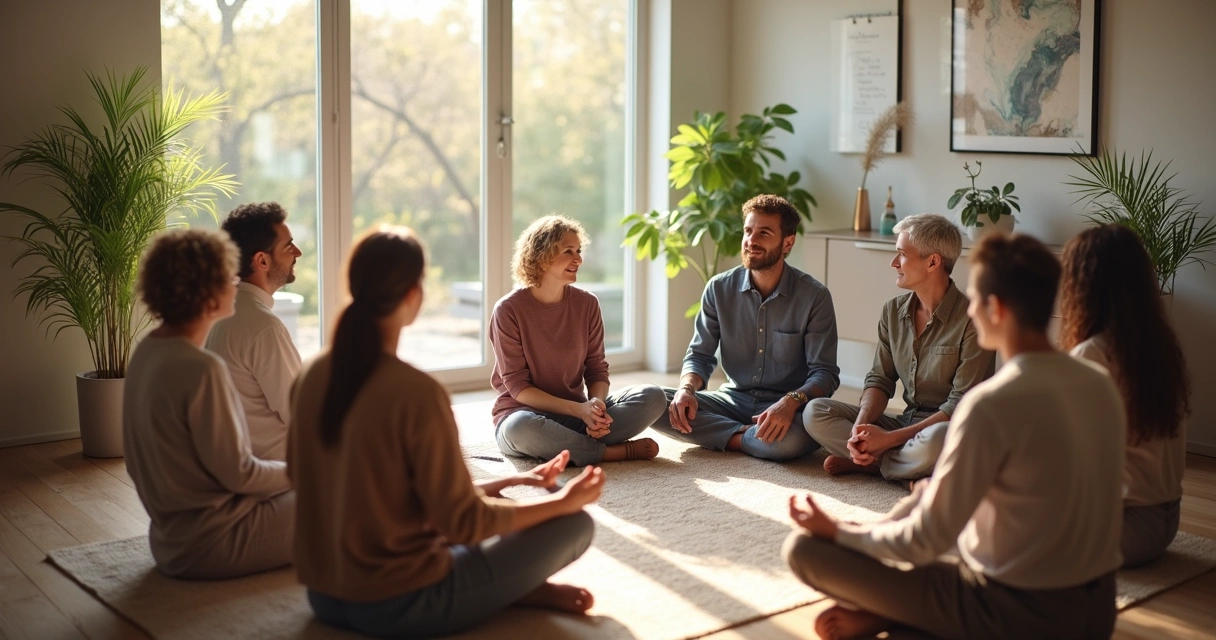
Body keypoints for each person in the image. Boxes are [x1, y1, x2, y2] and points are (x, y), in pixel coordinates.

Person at [783, 233, 1125, 640]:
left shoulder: (990, 404)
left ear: (995, 309)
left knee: (803, 551)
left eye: (976, 298)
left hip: (1020, 615)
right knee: (927, 503)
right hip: (1100, 610)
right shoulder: (1100, 383)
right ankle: (905, 617)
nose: (970, 308)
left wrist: (839, 532)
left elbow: (923, 542)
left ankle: (898, 615)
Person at [291, 227, 603, 638]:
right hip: (401, 603)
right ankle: (509, 591)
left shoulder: (311, 374)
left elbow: (377, 496)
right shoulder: (417, 392)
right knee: (575, 525)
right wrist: (563, 501)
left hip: (325, 594)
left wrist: (511, 480)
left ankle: (507, 589)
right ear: (413, 296)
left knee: (498, 524)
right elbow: (463, 524)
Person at [123, 229, 294, 579]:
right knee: (346, 494)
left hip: (168, 539)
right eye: (229, 276)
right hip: (214, 542)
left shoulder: (147, 351)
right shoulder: (201, 369)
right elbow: (241, 474)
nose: (236, 282)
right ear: (209, 293)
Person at [807, 213, 994, 482]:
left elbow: (959, 406)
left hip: (948, 429)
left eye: (902, 254)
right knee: (815, 412)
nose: (894, 263)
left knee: (936, 442)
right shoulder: (892, 311)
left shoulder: (973, 319)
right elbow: (880, 379)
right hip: (905, 423)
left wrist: (888, 440)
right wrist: (861, 427)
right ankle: (901, 468)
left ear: (932, 262)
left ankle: (877, 465)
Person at [652, 194, 840, 461]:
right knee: (654, 401)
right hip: (731, 400)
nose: (751, 241)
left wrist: (790, 402)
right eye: (748, 231)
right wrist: (686, 390)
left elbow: (825, 374)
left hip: (787, 407)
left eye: (764, 233)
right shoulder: (718, 288)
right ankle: (746, 437)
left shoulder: (814, 297)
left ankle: (729, 436)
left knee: (798, 435)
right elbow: (700, 355)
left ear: (788, 242)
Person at [1060, 224, 1191, 568]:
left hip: (1123, 529)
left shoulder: (1093, 353)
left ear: (1083, 285)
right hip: (1165, 522)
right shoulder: (1158, 346)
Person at [492, 215, 666, 467]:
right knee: (521, 429)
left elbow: (596, 369)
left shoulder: (587, 304)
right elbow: (518, 387)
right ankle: (608, 452)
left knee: (653, 396)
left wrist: (595, 407)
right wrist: (580, 411)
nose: (578, 259)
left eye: (579, 250)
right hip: (524, 416)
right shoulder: (508, 310)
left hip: (578, 416)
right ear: (541, 256)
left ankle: (572, 447)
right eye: (568, 251)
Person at [206, 202, 303, 461]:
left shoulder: (219, 313)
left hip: (239, 462)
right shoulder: (264, 327)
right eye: (288, 245)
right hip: (280, 469)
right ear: (262, 260)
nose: (298, 252)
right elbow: (301, 415)